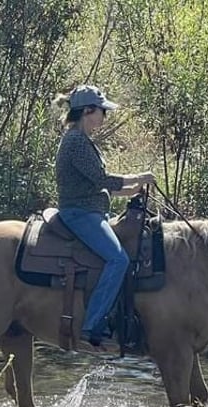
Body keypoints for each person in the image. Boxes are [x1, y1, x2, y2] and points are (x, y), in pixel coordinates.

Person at [54, 84, 155, 346]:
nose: (104, 116)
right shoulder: (76, 141)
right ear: (88, 111)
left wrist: (133, 188)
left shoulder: (82, 140)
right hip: (79, 213)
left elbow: (96, 185)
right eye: (102, 111)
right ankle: (92, 323)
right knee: (118, 259)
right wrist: (139, 177)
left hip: (90, 210)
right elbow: (101, 179)